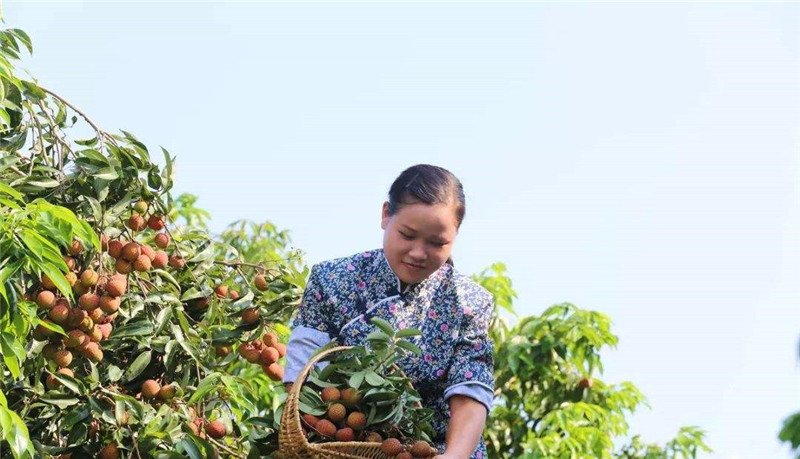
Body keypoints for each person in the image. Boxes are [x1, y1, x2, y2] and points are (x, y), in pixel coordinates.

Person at [284, 164, 495, 459]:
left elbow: (470, 389)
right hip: (344, 447)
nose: (418, 253)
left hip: (435, 449)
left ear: (456, 235)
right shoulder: (331, 280)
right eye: (407, 235)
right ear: (386, 215)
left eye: (437, 243)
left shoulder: (470, 302)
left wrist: (454, 456)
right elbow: (302, 380)